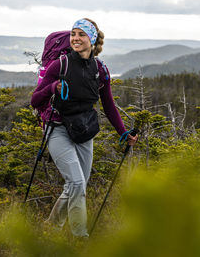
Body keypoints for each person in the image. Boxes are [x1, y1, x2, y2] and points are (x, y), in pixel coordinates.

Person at [30, 18, 137, 237]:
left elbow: (108, 105)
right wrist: (52, 87)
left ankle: (50, 228)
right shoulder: (60, 65)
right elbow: (35, 100)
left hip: (84, 130)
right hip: (57, 128)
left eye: (81, 35)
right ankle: (80, 238)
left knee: (77, 185)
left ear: (92, 39)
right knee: (77, 182)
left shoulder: (99, 69)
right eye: (73, 34)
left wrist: (123, 132)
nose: (76, 39)